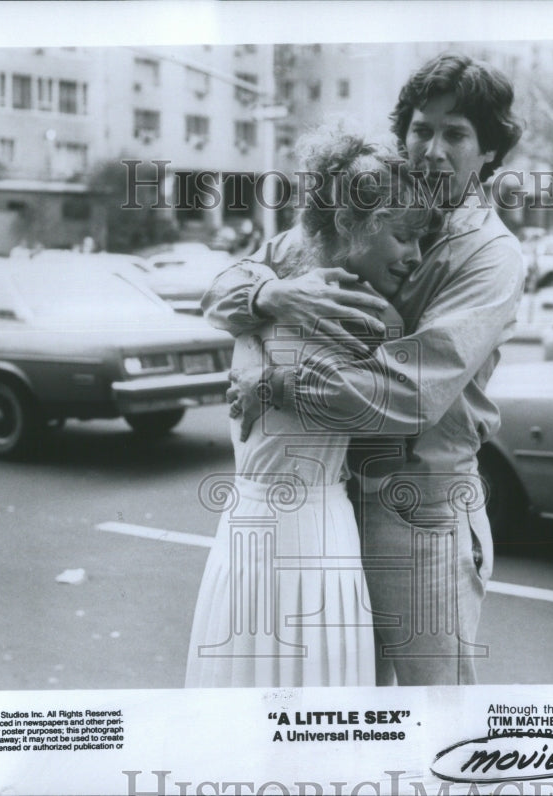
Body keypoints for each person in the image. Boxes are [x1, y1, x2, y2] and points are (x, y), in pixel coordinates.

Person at [202, 53, 525, 686]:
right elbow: (221, 289)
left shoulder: (490, 256)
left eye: (456, 134)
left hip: (420, 514)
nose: (432, 150)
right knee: (352, 708)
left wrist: (275, 382)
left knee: (436, 716)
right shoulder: (359, 216)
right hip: (337, 507)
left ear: (488, 152)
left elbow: (407, 394)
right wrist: (271, 296)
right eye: (420, 129)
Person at [185, 128, 439, 688]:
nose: (415, 257)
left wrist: (271, 377)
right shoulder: (360, 314)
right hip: (310, 530)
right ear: (352, 226)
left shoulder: (274, 281)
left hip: (250, 523)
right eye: (402, 237)